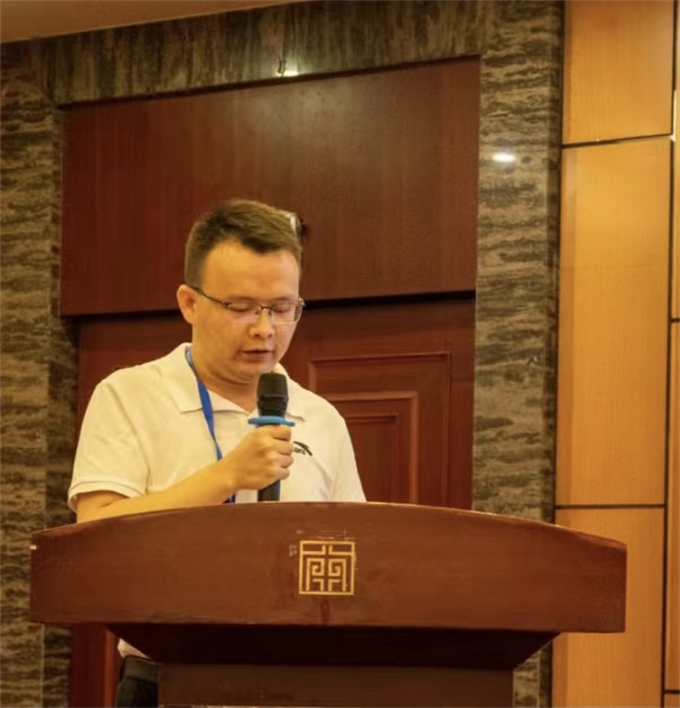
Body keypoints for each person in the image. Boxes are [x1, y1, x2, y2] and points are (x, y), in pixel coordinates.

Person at [67, 198, 366, 708]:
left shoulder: (321, 417)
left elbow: (357, 551)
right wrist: (227, 476)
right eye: (241, 307)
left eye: (282, 308)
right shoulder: (129, 395)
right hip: (168, 680)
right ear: (190, 303)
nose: (265, 329)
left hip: (300, 682)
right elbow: (93, 539)